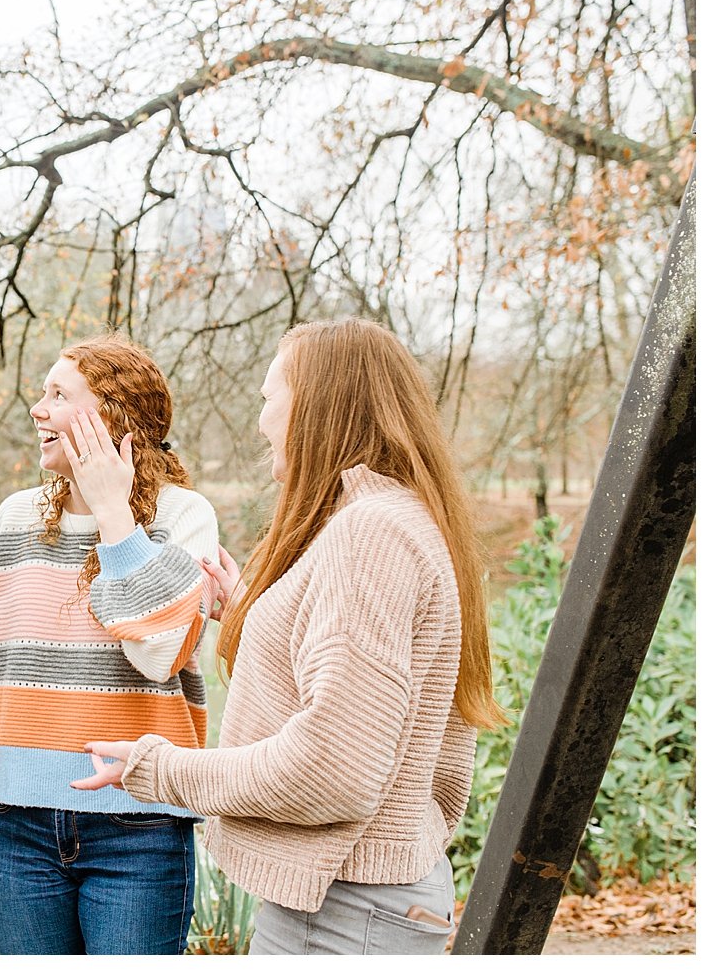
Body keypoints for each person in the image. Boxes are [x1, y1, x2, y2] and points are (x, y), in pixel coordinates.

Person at [72, 319, 505, 956]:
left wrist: (163, 769)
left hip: (341, 910)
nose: (261, 422)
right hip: (367, 895)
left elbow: (332, 767)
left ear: (321, 408)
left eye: (270, 399)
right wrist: (257, 615)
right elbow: (401, 724)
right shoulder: (398, 517)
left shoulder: (370, 536)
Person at [0, 338, 221, 955]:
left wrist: (115, 519)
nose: (37, 409)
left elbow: (160, 655)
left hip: (142, 827)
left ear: (115, 418)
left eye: (58, 395)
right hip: (18, 829)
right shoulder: (15, 518)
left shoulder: (185, 517)